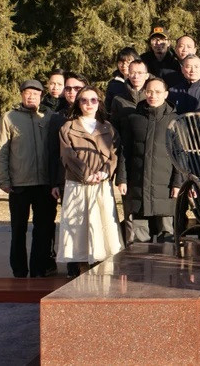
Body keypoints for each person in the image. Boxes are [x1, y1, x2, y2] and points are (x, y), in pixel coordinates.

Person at [0, 80, 57, 278]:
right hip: (19, 183)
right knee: (18, 228)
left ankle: (39, 268)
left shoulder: (49, 117)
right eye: (27, 93)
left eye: (36, 94)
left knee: (44, 228)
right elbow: (1, 150)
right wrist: (3, 179)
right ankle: (19, 270)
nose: (31, 97)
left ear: (41, 96)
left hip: (45, 183)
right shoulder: (9, 117)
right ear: (21, 94)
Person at [57, 86, 122, 273]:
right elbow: (67, 155)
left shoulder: (108, 127)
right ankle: (82, 268)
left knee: (102, 225)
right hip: (78, 184)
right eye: (84, 100)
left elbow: (114, 154)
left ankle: (103, 267)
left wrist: (105, 172)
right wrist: (86, 174)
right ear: (78, 103)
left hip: (101, 184)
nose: (89, 104)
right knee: (78, 227)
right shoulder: (68, 127)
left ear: (99, 103)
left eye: (93, 100)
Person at [117, 78, 181, 245]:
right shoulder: (133, 118)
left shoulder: (175, 120)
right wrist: (122, 179)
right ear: (145, 92)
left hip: (164, 187)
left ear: (166, 94)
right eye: (149, 91)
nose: (153, 95)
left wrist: (177, 183)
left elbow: (180, 155)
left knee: (166, 236)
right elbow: (124, 152)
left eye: (158, 92)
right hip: (137, 185)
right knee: (138, 238)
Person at [47, 72, 88, 276]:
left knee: (90, 221)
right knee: (71, 222)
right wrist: (55, 182)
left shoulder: (97, 114)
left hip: (92, 180)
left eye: (77, 88)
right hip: (66, 179)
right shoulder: (57, 118)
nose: (72, 92)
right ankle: (73, 267)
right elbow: (53, 153)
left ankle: (91, 263)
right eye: (68, 88)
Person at [109, 59, 150, 130]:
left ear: (147, 76)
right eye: (132, 72)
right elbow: (114, 127)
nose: (136, 76)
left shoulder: (153, 98)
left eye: (140, 73)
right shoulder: (118, 99)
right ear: (128, 75)